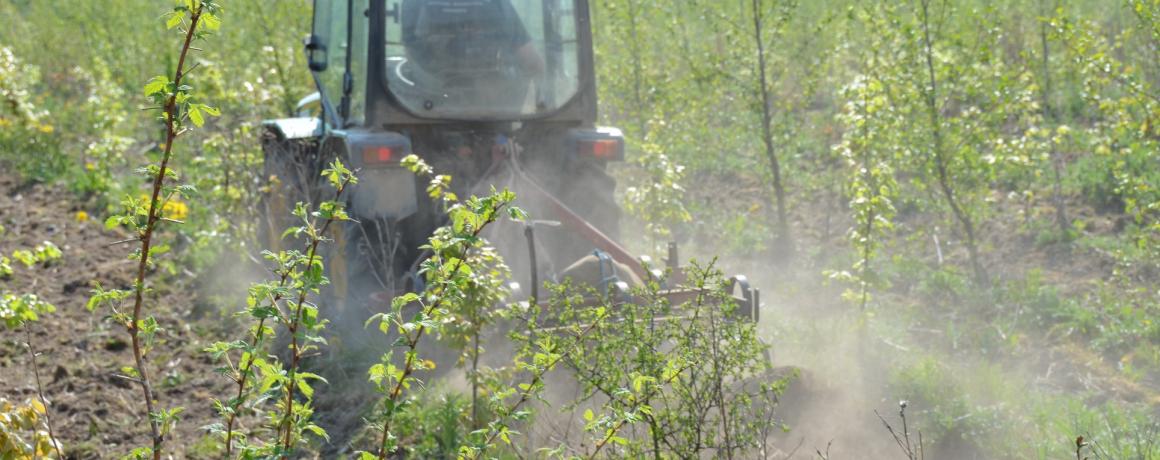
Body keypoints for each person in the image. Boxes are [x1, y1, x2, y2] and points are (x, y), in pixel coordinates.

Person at [401, 0, 544, 83]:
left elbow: (412, 53)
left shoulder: (415, 3)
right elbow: (531, 61)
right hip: (433, 96)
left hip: (428, 100)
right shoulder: (496, 4)